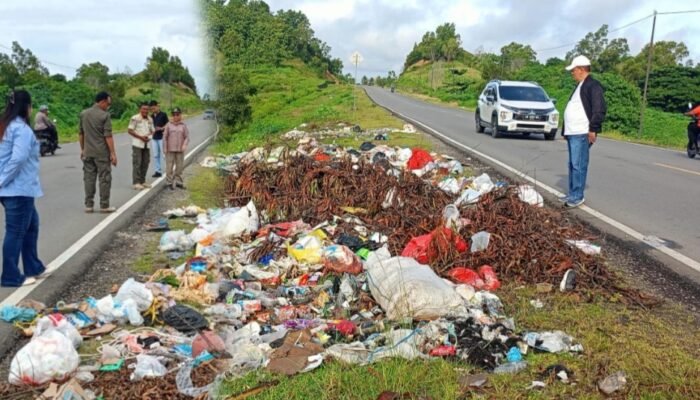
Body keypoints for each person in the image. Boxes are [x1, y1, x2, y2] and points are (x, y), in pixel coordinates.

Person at [0, 90, 47, 287]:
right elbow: (18, 158)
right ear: (26, 107)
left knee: (31, 226)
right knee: (16, 231)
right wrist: (2, 180)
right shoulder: (21, 130)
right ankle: (11, 276)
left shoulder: (6, 126)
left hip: (15, 190)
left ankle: (33, 266)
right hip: (17, 190)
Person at [561, 55, 607, 208]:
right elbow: (573, 107)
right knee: (572, 164)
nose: (572, 73)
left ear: (581, 69)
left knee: (578, 164)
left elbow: (599, 109)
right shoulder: (580, 86)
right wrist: (565, 130)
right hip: (573, 132)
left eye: (573, 70)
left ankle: (577, 196)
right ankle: (573, 193)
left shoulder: (593, 86)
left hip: (581, 131)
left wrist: (593, 128)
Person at [80, 91, 117, 213]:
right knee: (104, 178)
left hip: (88, 152)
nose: (108, 107)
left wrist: (82, 149)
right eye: (108, 104)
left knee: (89, 178)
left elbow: (81, 133)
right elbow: (108, 136)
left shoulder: (84, 114)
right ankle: (104, 205)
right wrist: (113, 153)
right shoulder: (105, 115)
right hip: (101, 153)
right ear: (102, 102)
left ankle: (89, 205)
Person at [128, 103, 154, 190]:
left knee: (145, 162)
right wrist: (140, 137)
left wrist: (149, 137)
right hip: (137, 144)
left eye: (147, 109)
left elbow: (152, 131)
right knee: (137, 163)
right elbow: (130, 130)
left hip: (146, 144)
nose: (145, 111)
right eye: (143, 109)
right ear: (140, 109)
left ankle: (143, 181)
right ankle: (136, 182)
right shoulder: (135, 118)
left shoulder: (150, 119)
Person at [163, 107, 189, 190]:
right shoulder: (168, 125)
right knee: (169, 167)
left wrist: (184, 145)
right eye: (174, 115)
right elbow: (165, 137)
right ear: (172, 116)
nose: (176, 116)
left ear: (180, 115)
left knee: (179, 167)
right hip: (170, 150)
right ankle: (169, 182)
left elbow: (187, 137)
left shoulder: (183, 126)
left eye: (177, 114)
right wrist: (165, 148)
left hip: (180, 150)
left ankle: (178, 182)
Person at [149, 100, 168, 178]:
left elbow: (168, 124)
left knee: (164, 155)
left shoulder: (163, 114)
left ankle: (169, 170)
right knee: (156, 155)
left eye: (154, 108)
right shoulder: (151, 116)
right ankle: (158, 171)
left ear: (157, 106)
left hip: (162, 137)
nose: (153, 110)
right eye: (152, 109)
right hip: (154, 138)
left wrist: (161, 128)